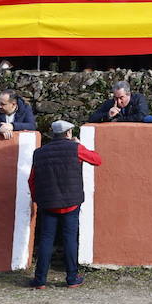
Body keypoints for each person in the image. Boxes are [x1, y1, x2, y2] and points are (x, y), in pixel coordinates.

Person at [28, 119, 101, 289]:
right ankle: (72, 278)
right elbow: (97, 160)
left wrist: (36, 199)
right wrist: (80, 144)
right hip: (71, 203)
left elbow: (32, 179)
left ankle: (40, 280)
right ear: (68, 133)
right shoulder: (75, 148)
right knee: (70, 239)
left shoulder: (39, 153)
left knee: (46, 240)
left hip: (48, 203)